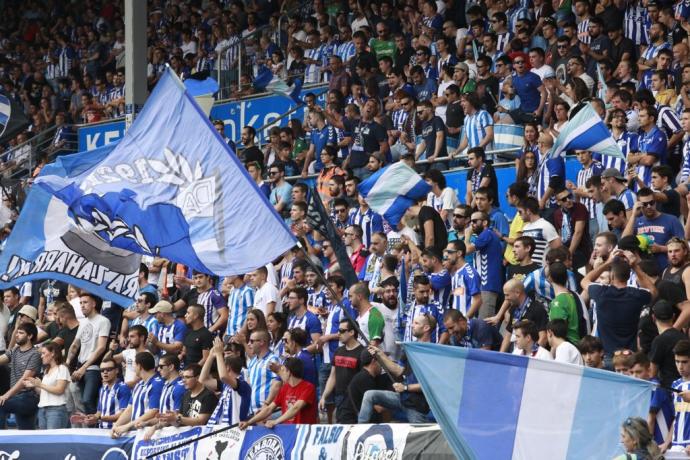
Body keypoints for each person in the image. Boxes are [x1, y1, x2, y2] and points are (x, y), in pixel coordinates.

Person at [582, 251, 655, 364]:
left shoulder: (601, 292)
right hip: (630, 358)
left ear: (611, 275)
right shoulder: (636, 294)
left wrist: (607, 262)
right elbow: (654, 291)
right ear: (628, 275)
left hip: (608, 356)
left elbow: (584, 281)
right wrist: (635, 267)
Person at [358, 314, 433, 424]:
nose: (412, 325)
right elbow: (399, 370)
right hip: (403, 397)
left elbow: (429, 385)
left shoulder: (432, 353)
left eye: (416, 323)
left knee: (421, 438)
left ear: (426, 328)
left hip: (417, 405)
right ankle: (360, 431)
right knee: (370, 395)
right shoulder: (409, 348)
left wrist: (406, 387)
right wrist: (380, 355)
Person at [240, 357, 317, 428]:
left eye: (283, 370)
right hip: (288, 432)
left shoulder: (308, 387)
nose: (280, 374)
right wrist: (248, 422)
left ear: (289, 372)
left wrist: (275, 421)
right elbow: (269, 408)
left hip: (303, 432)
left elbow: (296, 408)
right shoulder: (285, 388)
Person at [67, 292, 110, 416]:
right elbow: (75, 345)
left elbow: (101, 347)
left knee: (88, 400)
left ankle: (94, 427)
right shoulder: (83, 323)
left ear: (94, 304)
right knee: (74, 399)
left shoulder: (103, 321)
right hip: (79, 366)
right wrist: (68, 363)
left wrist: (84, 368)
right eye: (80, 303)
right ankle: (82, 428)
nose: (82, 305)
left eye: (85, 302)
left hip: (93, 367)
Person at [319, 319, 364, 423]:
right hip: (339, 397)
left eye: (342, 331)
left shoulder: (362, 352)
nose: (338, 334)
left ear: (352, 332)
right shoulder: (338, 351)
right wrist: (324, 396)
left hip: (355, 398)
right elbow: (332, 376)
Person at [111, 352, 165, 438]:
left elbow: (153, 411)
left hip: (149, 435)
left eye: (134, 365)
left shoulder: (157, 384)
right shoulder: (139, 385)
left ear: (139, 366)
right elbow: (130, 409)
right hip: (135, 433)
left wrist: (127, 426)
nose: (133, 367)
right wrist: (116, 425)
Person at [464, 210, 505, 318]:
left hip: (487, 286)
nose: (471, 224)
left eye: (474, 221)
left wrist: (467, 236)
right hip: (483, 286)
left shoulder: (487, 234)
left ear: (485, 223)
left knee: (484, 325)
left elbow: (466, 250)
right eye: (470, 222)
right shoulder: (485, 236)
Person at [202, 337, 251, 426]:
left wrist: (219, 354)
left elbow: (223, 376)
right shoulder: (225, 385)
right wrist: (211, 356)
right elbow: (203, 380)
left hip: (235, 431)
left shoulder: (243, 385)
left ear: (227, 367)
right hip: (221, 430)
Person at [629, 352, 674, 449]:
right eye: (632, 372)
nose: (634, 376)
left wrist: (645, 448)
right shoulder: (640, 390)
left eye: (638, 372)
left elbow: (650, 419)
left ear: (649, 371)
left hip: (660, 445)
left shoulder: (655, 388)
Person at [500, 279, 548, 352]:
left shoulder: (537, 308)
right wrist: (500, 355)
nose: (506, 298)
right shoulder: (513, 309)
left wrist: (532, 356)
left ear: (517, 293)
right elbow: (508, 334)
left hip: (531, 358)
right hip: (517, 354)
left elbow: (543, 337)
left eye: (507, 295)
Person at [81, 358, 131, 429]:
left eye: (109, 369)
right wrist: (89, 417)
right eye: (102, 370)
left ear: (117, 370)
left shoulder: (123, 388)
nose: (105, 372)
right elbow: (99, 412)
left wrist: (99, 418)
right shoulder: (102, 389)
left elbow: (124, 415)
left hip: (117, 432)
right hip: (102, 431)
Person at [649, 300, 685, 388]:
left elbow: (652, 373)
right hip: (684, 387)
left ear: (653, 317)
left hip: (669, 389)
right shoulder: (684, 337)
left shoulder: (659, 340)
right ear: (673, 316)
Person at [245, 329, 281, 414]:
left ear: (261, 342)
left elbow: (277, 385)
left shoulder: (273, 360)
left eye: (252, 341)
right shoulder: (253, 361)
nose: (249, 344)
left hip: (268, 412)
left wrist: (266, 404)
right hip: (253, 412)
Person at [518, 197, 562, 265]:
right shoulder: (525, 228)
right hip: (527, 270)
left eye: (520, 212)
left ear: (528, 211)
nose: (519, 215)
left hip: (541, 270)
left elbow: (558, 248)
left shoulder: (545, 226)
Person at [547, 262, 581, 345]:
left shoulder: (558, 302)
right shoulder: (572, 296)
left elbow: (557, 335)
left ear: (550, 278)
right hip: (574, 344)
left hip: (566, 346)